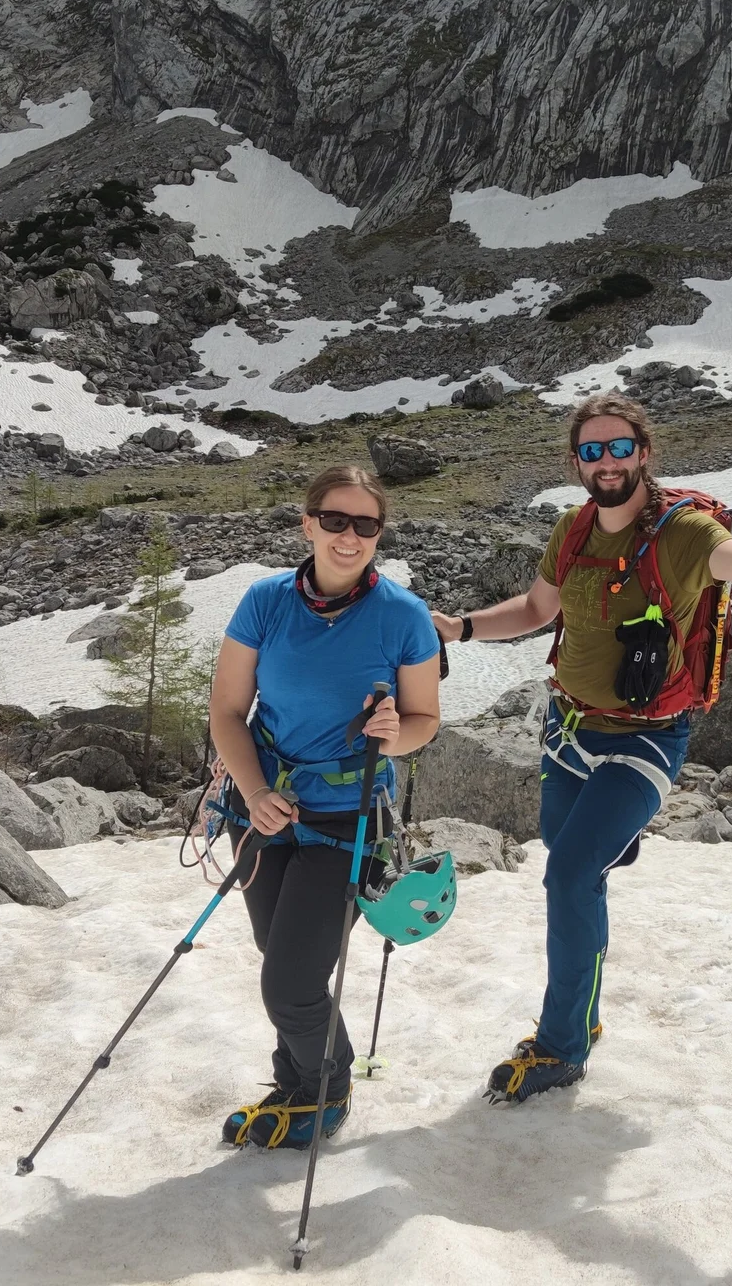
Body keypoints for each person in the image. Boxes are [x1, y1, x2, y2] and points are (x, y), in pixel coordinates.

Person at [432, 392, 732, 1104]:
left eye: (618, 447)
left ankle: (561, 1045)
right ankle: (583, 1013)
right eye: (592, 450)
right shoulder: (572, 530)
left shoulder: (683, 534)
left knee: (570, 876)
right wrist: (463, 628)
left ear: (643, 451)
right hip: (568, 731)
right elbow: (540, 608)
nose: (606, 462)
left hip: (646, 740)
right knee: (574, 870)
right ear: (578, 461)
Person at [208, 465, 442, 1148]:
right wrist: (253, 794)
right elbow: (227, 711)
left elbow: (425, 717)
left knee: (290, 982)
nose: (349, 536)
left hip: (347, 818)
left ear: (379, 534)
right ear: (307, 523)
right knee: (279, 954)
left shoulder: (403, 616)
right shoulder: (266, 600)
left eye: (365, 525)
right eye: (334, 520)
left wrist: (398, 732)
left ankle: (324, 1093)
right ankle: (297, 1079)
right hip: (263, 805)